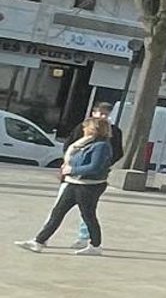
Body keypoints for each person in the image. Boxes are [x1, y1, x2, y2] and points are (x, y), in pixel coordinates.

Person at [18, 115, 115, 254]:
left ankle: (95, 246)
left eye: (86, 127)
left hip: (89, 185)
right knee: (58, 212)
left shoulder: (101, 146)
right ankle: (38, 242)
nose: (84, 129)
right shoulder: (85, 142)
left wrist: (72, 169)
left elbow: (95, 167)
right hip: (74, 182)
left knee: (88, 215)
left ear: (94, 129)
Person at [66, 105, 124, 250]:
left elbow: (118, 152)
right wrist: (69, 163)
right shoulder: (83, 127)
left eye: (106, 114)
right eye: (101, 113)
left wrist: (104, 164)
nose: (103, 116)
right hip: (73, 175)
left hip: (92, 179)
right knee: (59, 209)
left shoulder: (113, 132)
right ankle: (41, 238)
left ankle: (86, 239)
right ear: (94, 113)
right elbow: (69, 145)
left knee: (87, 211)